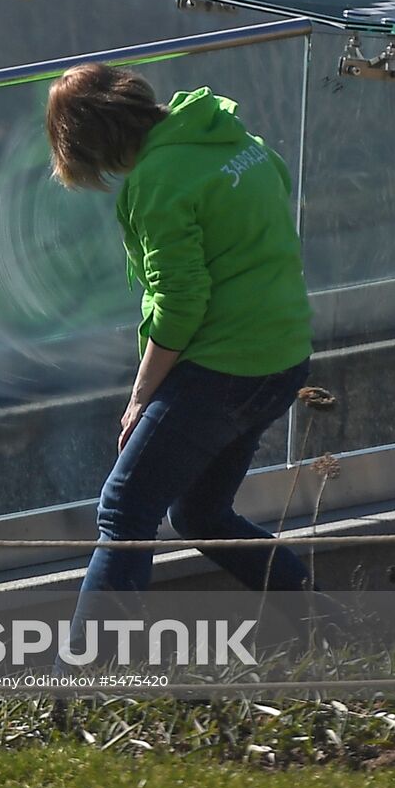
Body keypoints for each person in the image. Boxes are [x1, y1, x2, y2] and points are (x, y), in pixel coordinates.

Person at [44, 64, 317, 649]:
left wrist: (141, 395)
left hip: (225, 369)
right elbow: (278, 191)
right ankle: (323, 619)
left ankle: (80, 686)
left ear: (98, 140)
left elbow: (181, 301)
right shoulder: (228, 134)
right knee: (201, 514)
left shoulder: (158, 180)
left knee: (124, 510)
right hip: (283, 356)